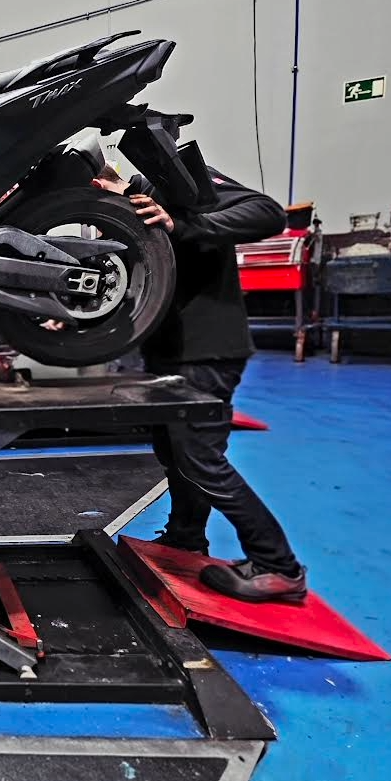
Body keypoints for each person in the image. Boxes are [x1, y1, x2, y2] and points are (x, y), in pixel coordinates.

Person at [93, 162, 308, 603]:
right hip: (168, 353)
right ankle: (186, 538)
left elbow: (267, 212)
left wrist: (184, 222)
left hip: (207, 350)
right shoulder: (134, 210)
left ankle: (279, 567)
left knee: (201, 460)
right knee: (174, 454)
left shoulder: (178, 183)